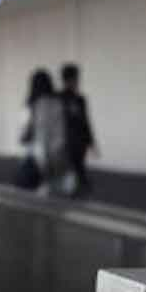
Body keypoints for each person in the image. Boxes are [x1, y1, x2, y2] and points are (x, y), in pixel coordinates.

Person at [20, 69, 70, 196]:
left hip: (37, 153)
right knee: (57, 189)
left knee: (34, 192)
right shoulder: (58, 103)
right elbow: (61, 129)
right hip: (57, 150)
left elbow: (28, 132)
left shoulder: (32, 105)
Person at [59, 63, 99, 197]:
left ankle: (78, 192)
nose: (77, 82)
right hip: (65, 142)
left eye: (77, 79)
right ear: (68, 80)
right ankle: (75, 193)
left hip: (78, 143)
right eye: (75, 78)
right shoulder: (58, 98)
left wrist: (92, 143)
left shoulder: (80, 99)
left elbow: (86, 122)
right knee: (72, 171)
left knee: (78, 169)